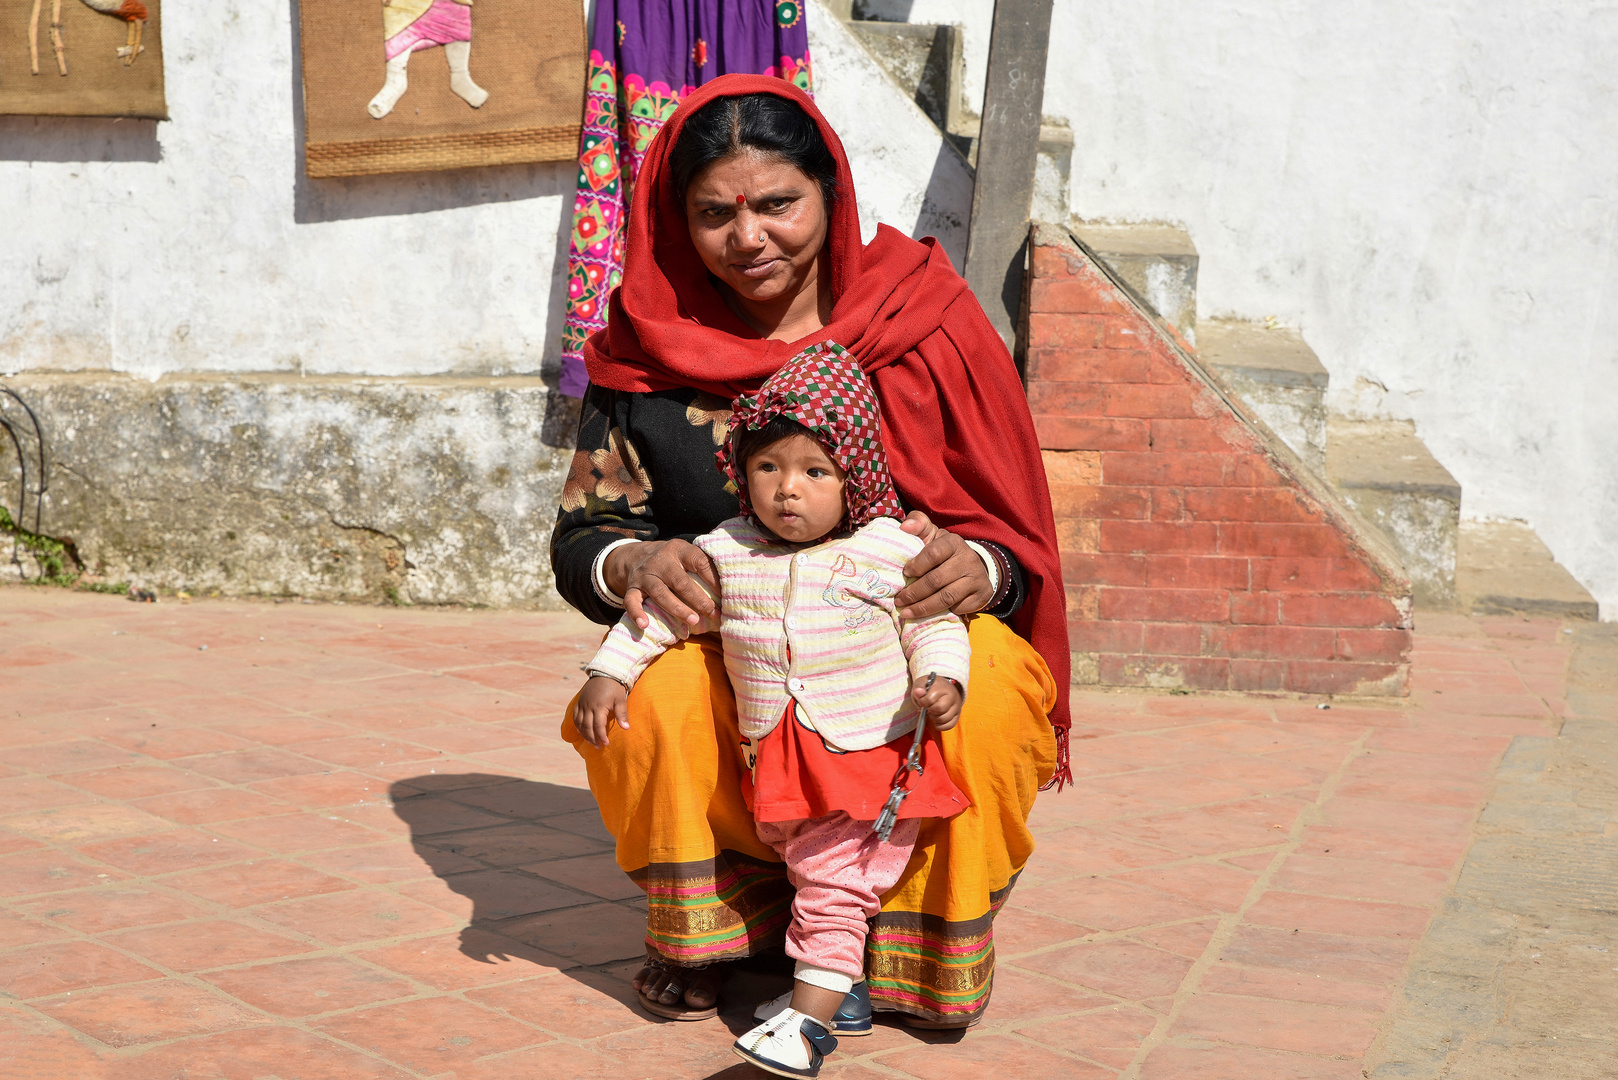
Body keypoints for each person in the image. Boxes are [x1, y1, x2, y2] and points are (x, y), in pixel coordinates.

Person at [552, 74, 1071, 1029]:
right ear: (678, 219)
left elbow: (1011, 529)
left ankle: (909, 933)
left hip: (899, 637)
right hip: (734, 646)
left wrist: (982, 568)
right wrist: (636, 567)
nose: (748, 239)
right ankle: (715, 928)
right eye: (715, 214)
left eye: (778, 204)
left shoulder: (926, 320)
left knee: (989, 687)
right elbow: (587, 531)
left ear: (831, 193)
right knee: (644, 701)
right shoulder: (643, 346)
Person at [576, 344, 972, 1076]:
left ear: (853, 479)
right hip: (780, 756)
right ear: (742, 473)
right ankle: (841, 993)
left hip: (864, 757)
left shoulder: (883, 551)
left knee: (831, 886)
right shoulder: (725, 551)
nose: (789, 491)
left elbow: (933, 620)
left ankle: (806, 1029)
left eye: (814, 472)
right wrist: (611, 671)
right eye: (769, 468)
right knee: (811, 871)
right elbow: (660, 618)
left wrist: (944, 676)